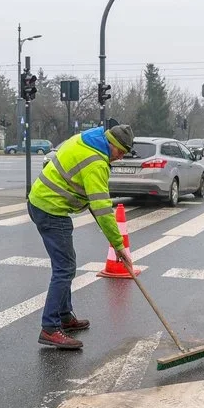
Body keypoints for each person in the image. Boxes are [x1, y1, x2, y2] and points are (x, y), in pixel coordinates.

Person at [28, 124, 135, 350]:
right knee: (65, 268)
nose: (120, 157)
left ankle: (65, 316)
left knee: (65, 265)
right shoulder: (96, 163)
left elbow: (94, 203)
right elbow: (102, 207)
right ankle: (50, 327)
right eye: (120, 152)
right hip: (51, 208)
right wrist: (118, 245)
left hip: (43, 202)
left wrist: (115, 244)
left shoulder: (86, 139)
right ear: (112, 144)